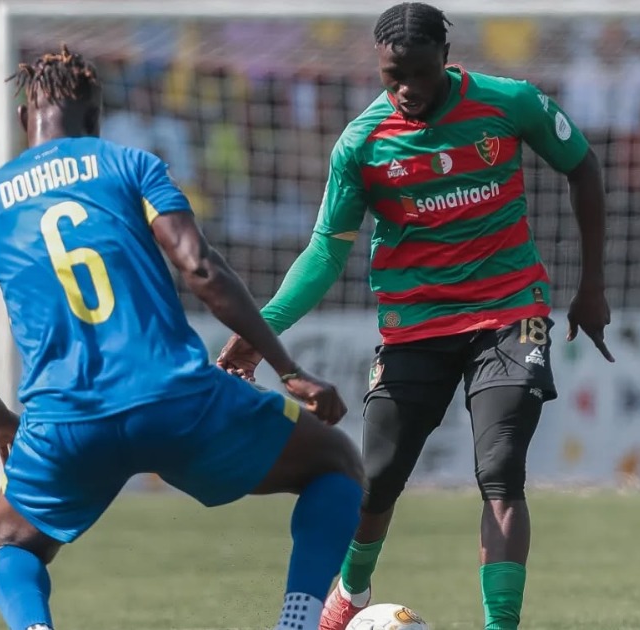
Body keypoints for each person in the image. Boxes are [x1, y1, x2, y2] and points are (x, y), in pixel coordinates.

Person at [0, 46, 363, 630]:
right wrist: (287, 367)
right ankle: (297, 622)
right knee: (334, 462)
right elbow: (201, 268)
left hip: (66, 422)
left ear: (21, 120)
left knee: (13, 543)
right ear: (95, 118)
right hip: (174, 398)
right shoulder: (129, 165)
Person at [217, 4, 612, 629]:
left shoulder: (511, 103)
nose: (405, 89)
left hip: (513, 312)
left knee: (501, 467)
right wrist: (260, 331)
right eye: (391, 76)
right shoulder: (362, 144)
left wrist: (591, 286)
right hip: (415, 325)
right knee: (375, 480)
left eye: (419, 74)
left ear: (445, 60)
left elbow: (582, 166)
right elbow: (325, 251)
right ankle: (352, 589)